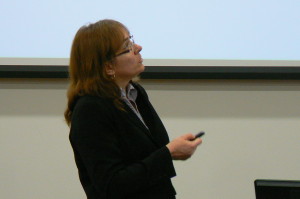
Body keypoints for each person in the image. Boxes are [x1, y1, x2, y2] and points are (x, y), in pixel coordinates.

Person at [64, 19, 202, 199]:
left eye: (132, 40)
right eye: (127, 46)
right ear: (108, 66)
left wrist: (173, 151)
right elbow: (112, 184)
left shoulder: (135, 93)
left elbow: (147, 153)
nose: (138, 47)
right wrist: (168, 153)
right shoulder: (90, 110)